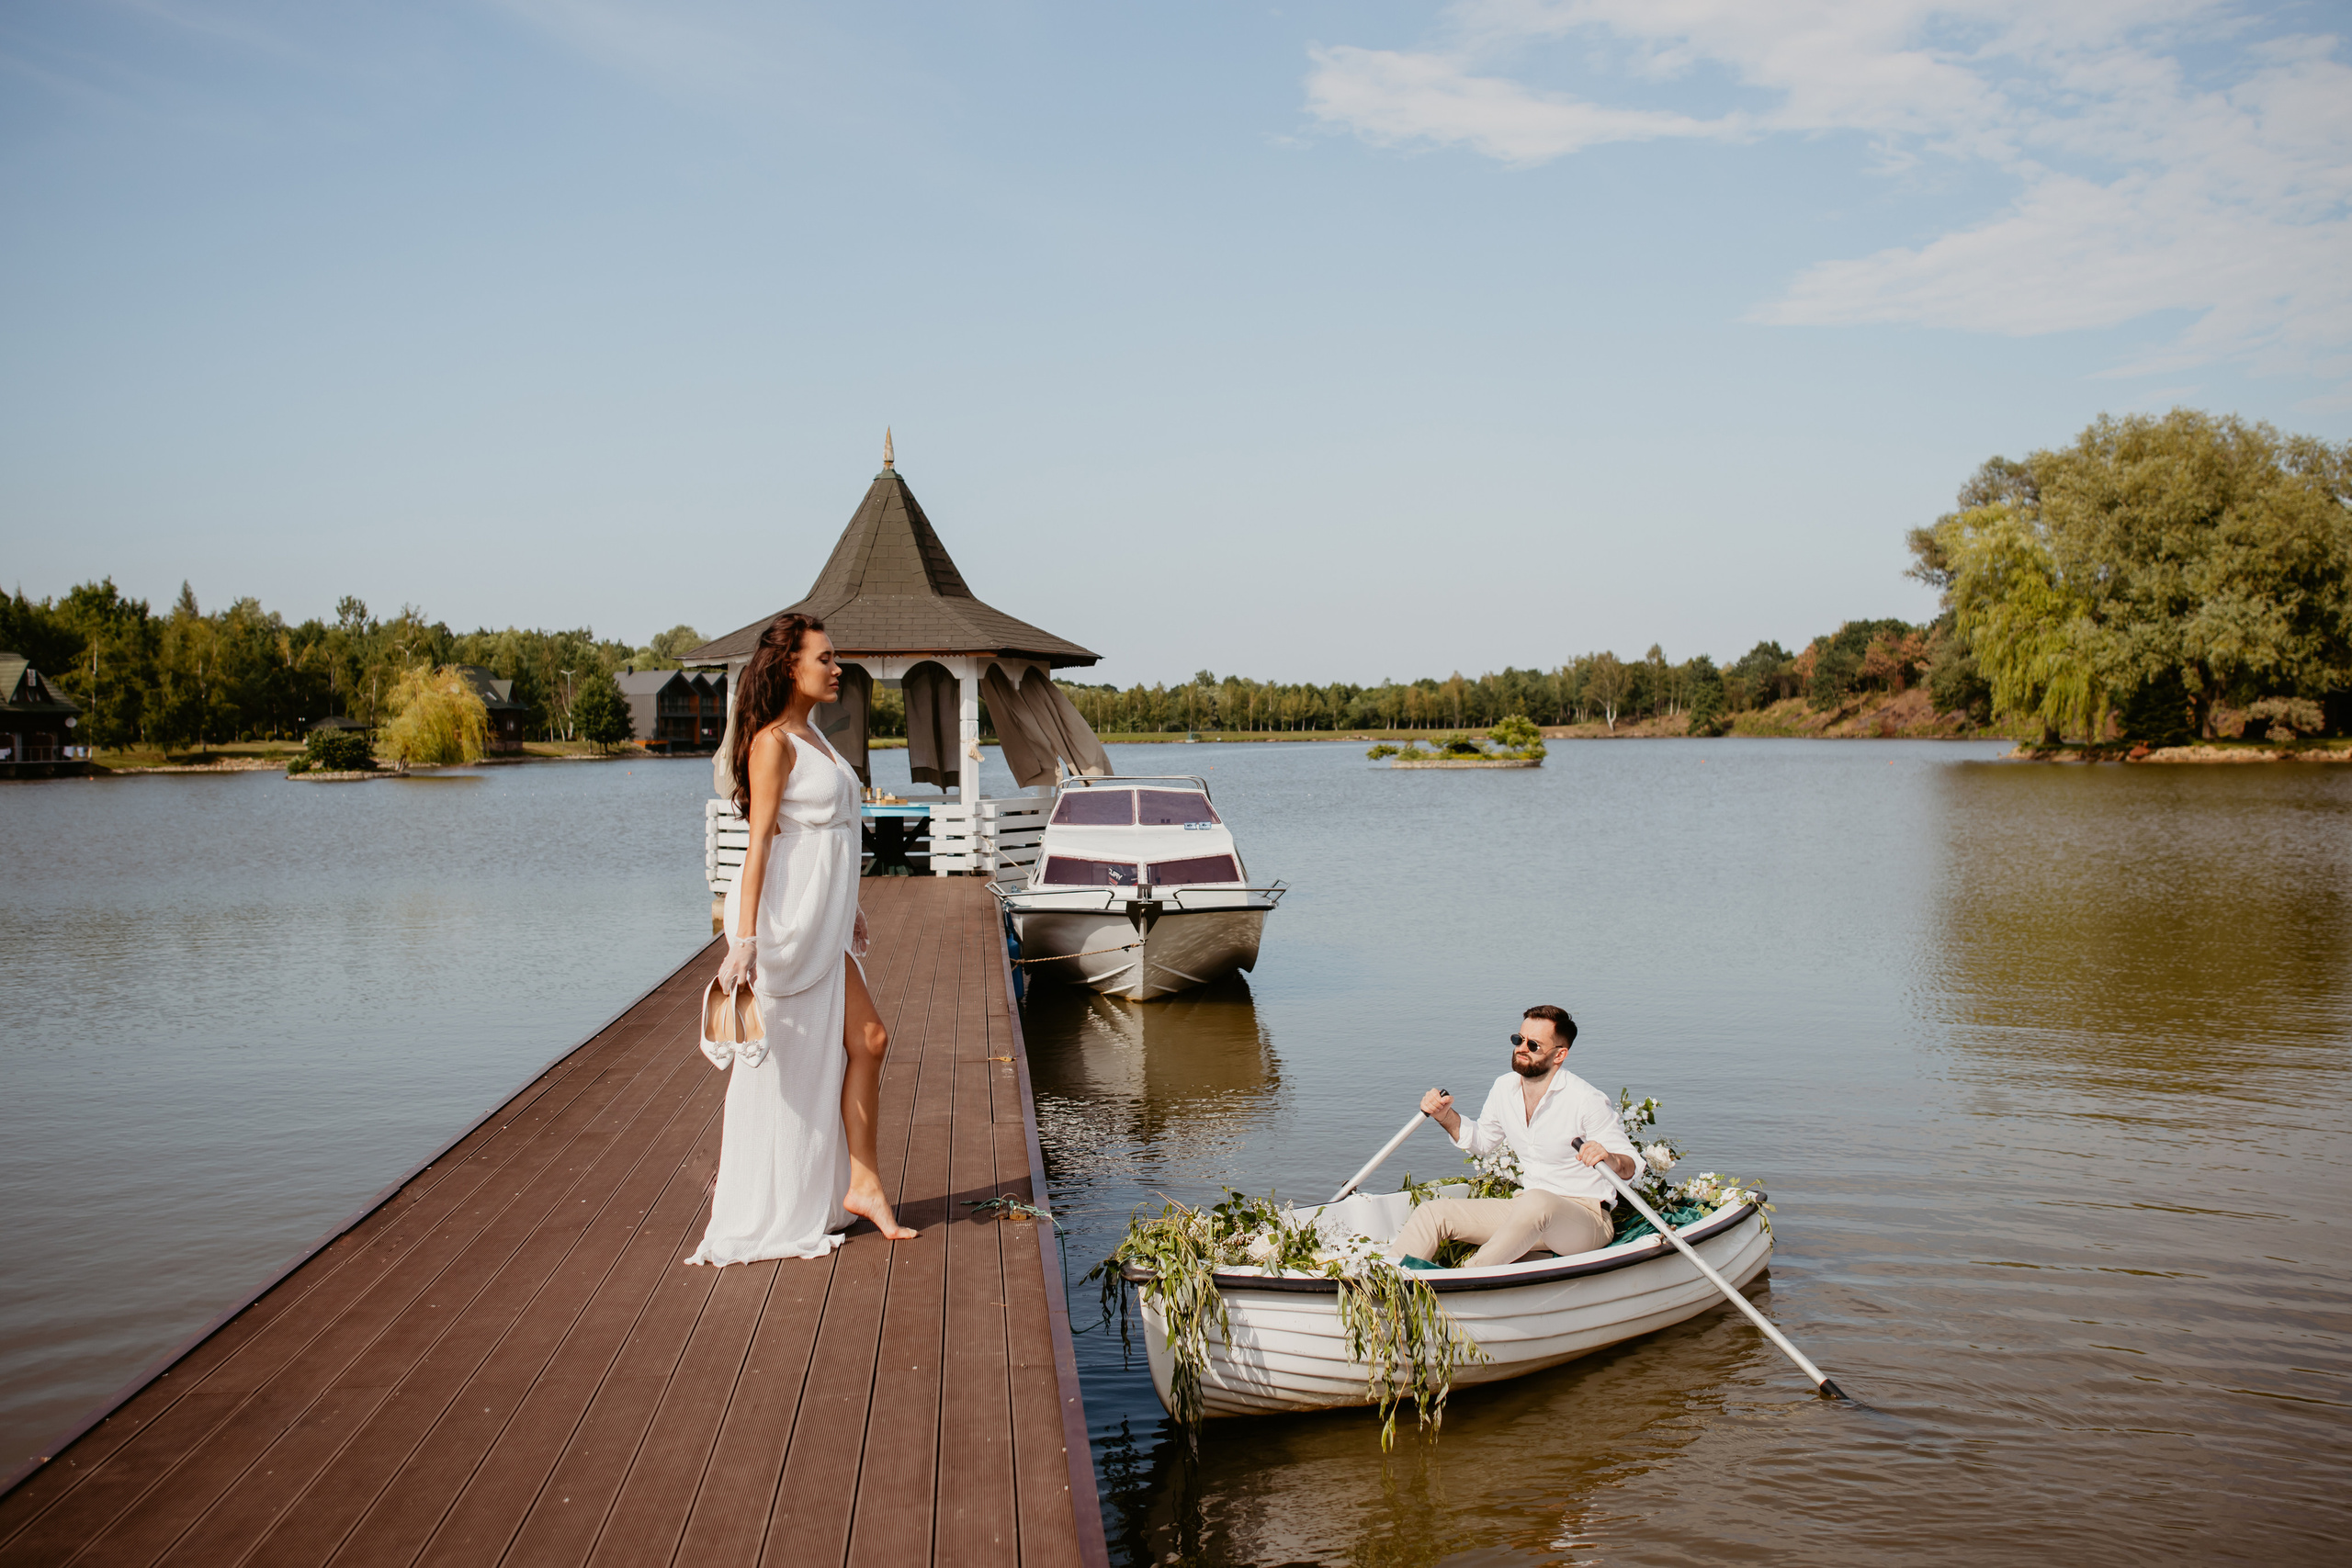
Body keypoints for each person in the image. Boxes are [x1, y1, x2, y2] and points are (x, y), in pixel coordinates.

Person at [687, 613, 916, 1265]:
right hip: (783, 927)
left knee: (866, 1040)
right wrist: (746, 939)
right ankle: (772, 1200)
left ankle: (859, 1184)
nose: (837, 667)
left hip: (821, 919)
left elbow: (831, 834)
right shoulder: (771, 743)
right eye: (826, 657)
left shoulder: (812, 734)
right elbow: (760, 845)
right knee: (794, 1065)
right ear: (791, 666)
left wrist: (851, 908)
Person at [1389, 1005, 1638, 1269]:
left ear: (1559, 1055)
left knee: (1537, 1201)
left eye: (1534, 1045)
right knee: (1433, 1213)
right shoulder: (1504, 1087)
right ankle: (1384, 1280)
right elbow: (1482, 1140)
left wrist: (1608, 1157)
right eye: (1519, 1040)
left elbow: (1631, 1165)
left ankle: (1466, 1278)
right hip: (1526, 1211)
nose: (1521, 1048)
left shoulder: (1586, 1100)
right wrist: (1444, 1115)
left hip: (1586, 1219)